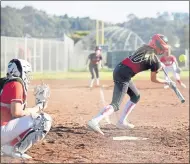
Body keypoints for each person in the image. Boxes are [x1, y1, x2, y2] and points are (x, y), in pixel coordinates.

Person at [87, 34, 176, 135]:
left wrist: (159, 64)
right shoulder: (155, 62)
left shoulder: (143, 47)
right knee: (115, 104)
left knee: (135, 96)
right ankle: (94, 121)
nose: (162, 51)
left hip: (121, 69)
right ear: (156, 46)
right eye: (161, 48)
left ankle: (121, 122)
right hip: (123, 74)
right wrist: (167, 81)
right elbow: (153, 79)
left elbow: (149, 56)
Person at [1, 59, 52, 159]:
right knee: (44, 119)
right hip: (2, 132)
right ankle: (15, 149)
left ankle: (6, 146)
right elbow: (17, 113)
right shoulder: (16, 84)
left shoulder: (4, 82)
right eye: (27, 73)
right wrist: (39, 106)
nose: (28, 77)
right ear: (20, 72)